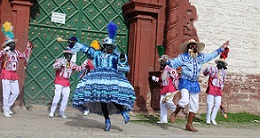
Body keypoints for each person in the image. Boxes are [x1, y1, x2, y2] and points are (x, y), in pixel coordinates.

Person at [69, 22, 136, 131]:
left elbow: (123, 65)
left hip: (112, 78)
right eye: (108, 47)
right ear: (104, 47)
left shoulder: (116, 56)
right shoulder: (97, 54)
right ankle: (107, 121)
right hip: (98, 78)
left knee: (113, 97)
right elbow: (86, 49)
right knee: (103, 101)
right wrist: (75, 43)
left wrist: (123, 59)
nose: (110, 49)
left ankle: (123, 112)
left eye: (112, 47)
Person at [163, 38, 229, 132]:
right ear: (188, 47)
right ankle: (175, 112)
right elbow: (174, 63)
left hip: (194, 83)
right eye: (191, 45)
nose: (193, 47)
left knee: (194, 105)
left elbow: (211, 55)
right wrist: (167, 61)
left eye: (194, 45)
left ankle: (189, 125)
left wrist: (222, 48)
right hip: (185, 81)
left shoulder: (200, 57)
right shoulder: (183, 57)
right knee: (185, 100)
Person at [49, 48, 94, 119]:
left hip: (66, 82)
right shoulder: (60, 60)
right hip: (59, 80)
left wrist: (84, 64)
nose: (69, 56)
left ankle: (61, 111)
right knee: (57, 96)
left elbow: (79, 69)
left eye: (70, 55)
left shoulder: (72, 64)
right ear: (65, 55)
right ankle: (52, 111)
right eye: (68, 55)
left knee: (66, 97)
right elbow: (54, 66)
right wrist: (60, 65)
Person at [0, 21, 32, 117]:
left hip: (14, 74)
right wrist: (3, 51)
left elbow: (24, 55)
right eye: (11, 44)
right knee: (6, 93)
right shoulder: (5, 53)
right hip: (6, 73)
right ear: (7, 46)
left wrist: (28, 48)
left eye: (13, 43)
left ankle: (7, 106)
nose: (13, 45)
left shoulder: (17, 53)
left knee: (16, 92)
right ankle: (5, 109)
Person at [203, 47, 229, 125]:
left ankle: (213, 118)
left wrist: (221, 86)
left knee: (217, 104)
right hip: (211, 88)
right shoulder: (212, 69)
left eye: (222, 64)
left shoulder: (223, 72)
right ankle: (207, 119)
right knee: (209, 104)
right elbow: (205, 73)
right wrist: (207, 70)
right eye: (219, 63)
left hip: (218, 89)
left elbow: (223, 80)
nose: (220, 65)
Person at [151, 55, 179, 124]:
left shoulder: (171, 68)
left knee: (168, 100)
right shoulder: (165, 69)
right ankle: (163, 119)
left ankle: (176, 110)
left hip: (170, 87)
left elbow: (175, 77)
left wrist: (177, 86)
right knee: (162, 103)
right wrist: (156, 79)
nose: (161, 63)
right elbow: (163, 79)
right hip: (164, 87)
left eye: (162, 61)